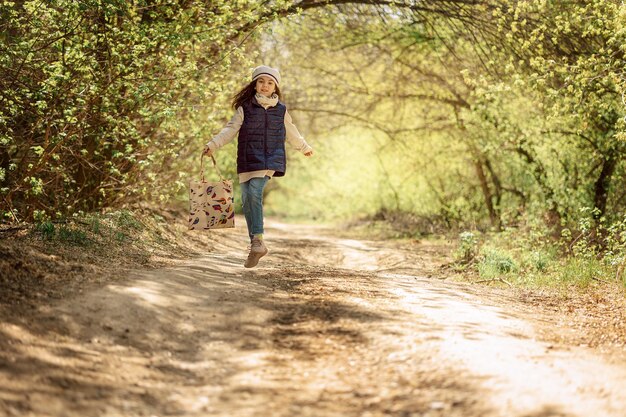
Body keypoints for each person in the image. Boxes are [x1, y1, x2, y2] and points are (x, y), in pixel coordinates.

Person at [203, 65, 313, 268]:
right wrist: (213, 144)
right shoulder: (245, 107)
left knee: (254, 192)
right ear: (254, 84)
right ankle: (256, 243)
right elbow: (230, 129)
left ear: (275, 87)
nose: (265, 85)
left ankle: (257, 241)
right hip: (247, 159)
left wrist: (304, 147)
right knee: (246, 200)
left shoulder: (281, 110)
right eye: (261, 81)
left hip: (270, 159)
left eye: (270, 82)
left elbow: (292, 131)